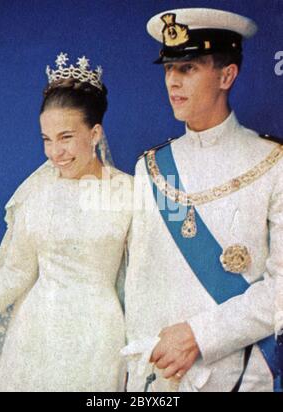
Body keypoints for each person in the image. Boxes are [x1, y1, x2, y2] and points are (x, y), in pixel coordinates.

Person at [124, 8, 283, 392]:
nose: (173, 82)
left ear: (227, 75)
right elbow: (139, 283)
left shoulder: (274, 163)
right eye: (168, 70)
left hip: (239, 373)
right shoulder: (151, 168)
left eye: (189, 68)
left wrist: (201, 334)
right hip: (159, 377)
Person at [0, 53, 133, 392]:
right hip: (36, 334)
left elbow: (141, 281)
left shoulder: (129, 191)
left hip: (98, 338)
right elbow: (16, 273)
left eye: (65, 137)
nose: (54, 153)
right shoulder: (37, 192)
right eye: (46, 140)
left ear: (94, 133)